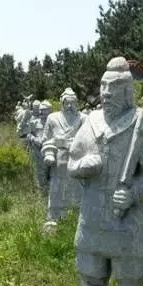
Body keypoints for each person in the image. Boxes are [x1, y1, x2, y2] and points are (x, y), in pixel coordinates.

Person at [67, 57, 143, 286]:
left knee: (131, 269)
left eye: (113, 88)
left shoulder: (140, 123)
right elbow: (71, 163)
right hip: (92, 212)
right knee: (90, 263)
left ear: (127, 91)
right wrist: (83, 165)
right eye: (103, 86)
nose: (106, 93)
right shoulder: (90, 122)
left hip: (127, 216)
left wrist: (133, 193)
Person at [42, 89, 85, 231]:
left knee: (77, 187)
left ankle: (77, 216)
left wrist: (77, 144)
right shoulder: (52, 118)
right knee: (57, 187)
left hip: (77, 159)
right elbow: (46, 139)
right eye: (67, 103)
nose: (70, 106)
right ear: (62, 103)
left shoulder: (84, 118)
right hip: (58, 160)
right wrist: (49, 151)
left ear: (77, 103)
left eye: (73, 103)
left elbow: (89, 140)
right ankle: (54, 217)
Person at [28, 100, 52, 195]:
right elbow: (29, 134)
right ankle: (42, 193)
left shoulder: (54, 123)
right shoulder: (34, 122)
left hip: (51, 150)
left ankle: (51, 192)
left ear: (50, 110)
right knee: (40, 172)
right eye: (41, 110)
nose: (41, 112)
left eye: (44, 110)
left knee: (52, 172)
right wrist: (34, 139)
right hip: (38, 151)